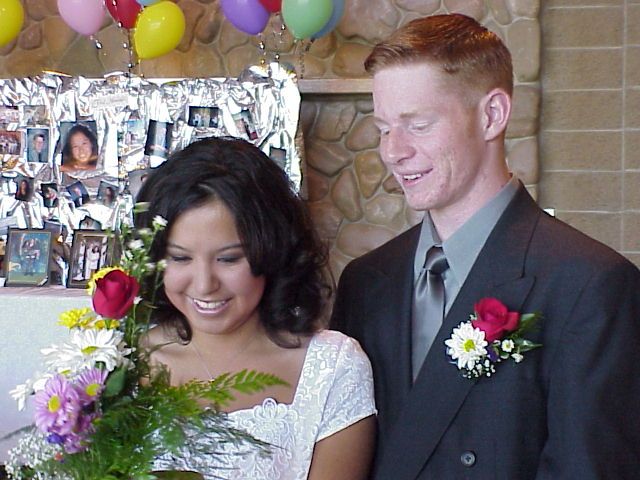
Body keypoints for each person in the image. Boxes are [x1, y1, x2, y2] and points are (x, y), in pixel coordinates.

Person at [330, 13, 640, 480]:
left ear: (492, 115)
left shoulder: (591, 286)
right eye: (383, 129)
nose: (393, 151)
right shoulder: (365, 281)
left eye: (418, 124)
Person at [136, 137, 376, 480]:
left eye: (229, 258)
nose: (204, 285)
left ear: (273, 251)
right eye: (180, 258)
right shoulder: (124, 362)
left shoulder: (332, 367)